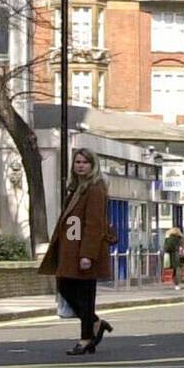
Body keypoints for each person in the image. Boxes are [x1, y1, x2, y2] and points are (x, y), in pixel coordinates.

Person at [38, 147, 114, 355]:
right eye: (77, 162)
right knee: (65, 286)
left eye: (84, 162)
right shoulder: (76, 188)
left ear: (92, 165)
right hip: (70, 249)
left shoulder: (95, 189)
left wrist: (87, 255)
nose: (80, 165)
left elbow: (94, 224)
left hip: (84, 251)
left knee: (84, 295)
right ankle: (95, 323)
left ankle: (86, 338)